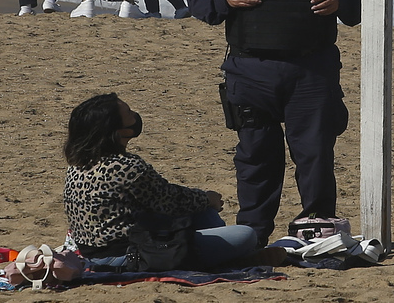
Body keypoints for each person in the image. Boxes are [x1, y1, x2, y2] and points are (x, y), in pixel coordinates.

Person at [184, 0, 361, 245]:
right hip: (251, 72)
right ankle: (253, 233)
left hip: (311, 71)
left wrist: (340, 2)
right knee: (256, 158)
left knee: (314, 154)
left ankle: (317, 228)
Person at [63, 92, 281, 270]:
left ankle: (227, 256)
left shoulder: (77, 165)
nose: (135, 116)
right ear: (117, 131)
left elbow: (165, 198)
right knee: (246, 235)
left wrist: (202, 202)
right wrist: (208, 199)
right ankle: (232, 259)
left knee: (203, 212)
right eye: (129, 113)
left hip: (97, 249)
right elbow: (169, 200)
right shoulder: (125, 167)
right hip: (131, 254)